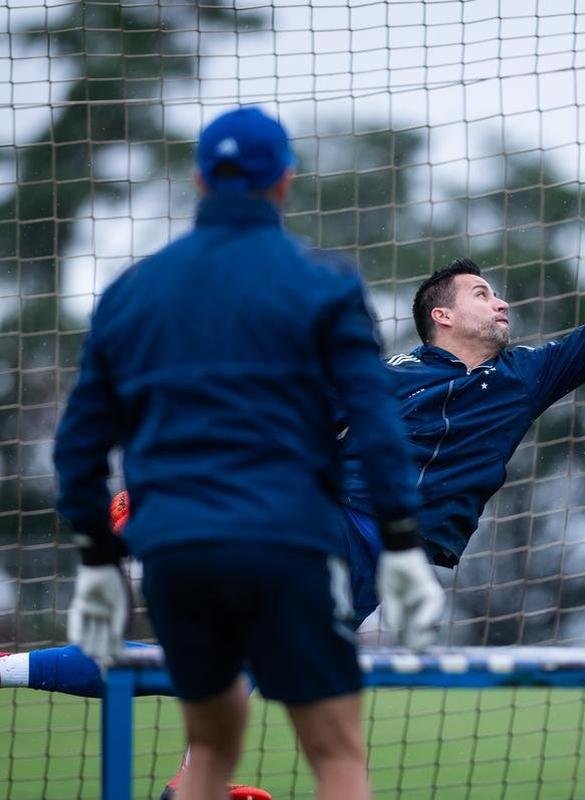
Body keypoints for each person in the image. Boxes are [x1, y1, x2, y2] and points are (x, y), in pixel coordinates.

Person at [0, 155, 585, 797]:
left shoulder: (525, 378)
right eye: (481, 293)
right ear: (442, 314)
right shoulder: (385, 375)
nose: (499, 302)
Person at [48, 105, 444, 800]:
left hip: (174, 554)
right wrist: (405, 543)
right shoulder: (324, 283)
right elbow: (376, 423)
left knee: (210, 742)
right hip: (285, 543)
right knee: (336, 754)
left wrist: (96, 560)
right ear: (285, 181)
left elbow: (79, 444)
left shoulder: (130, 292)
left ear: (201, 179)